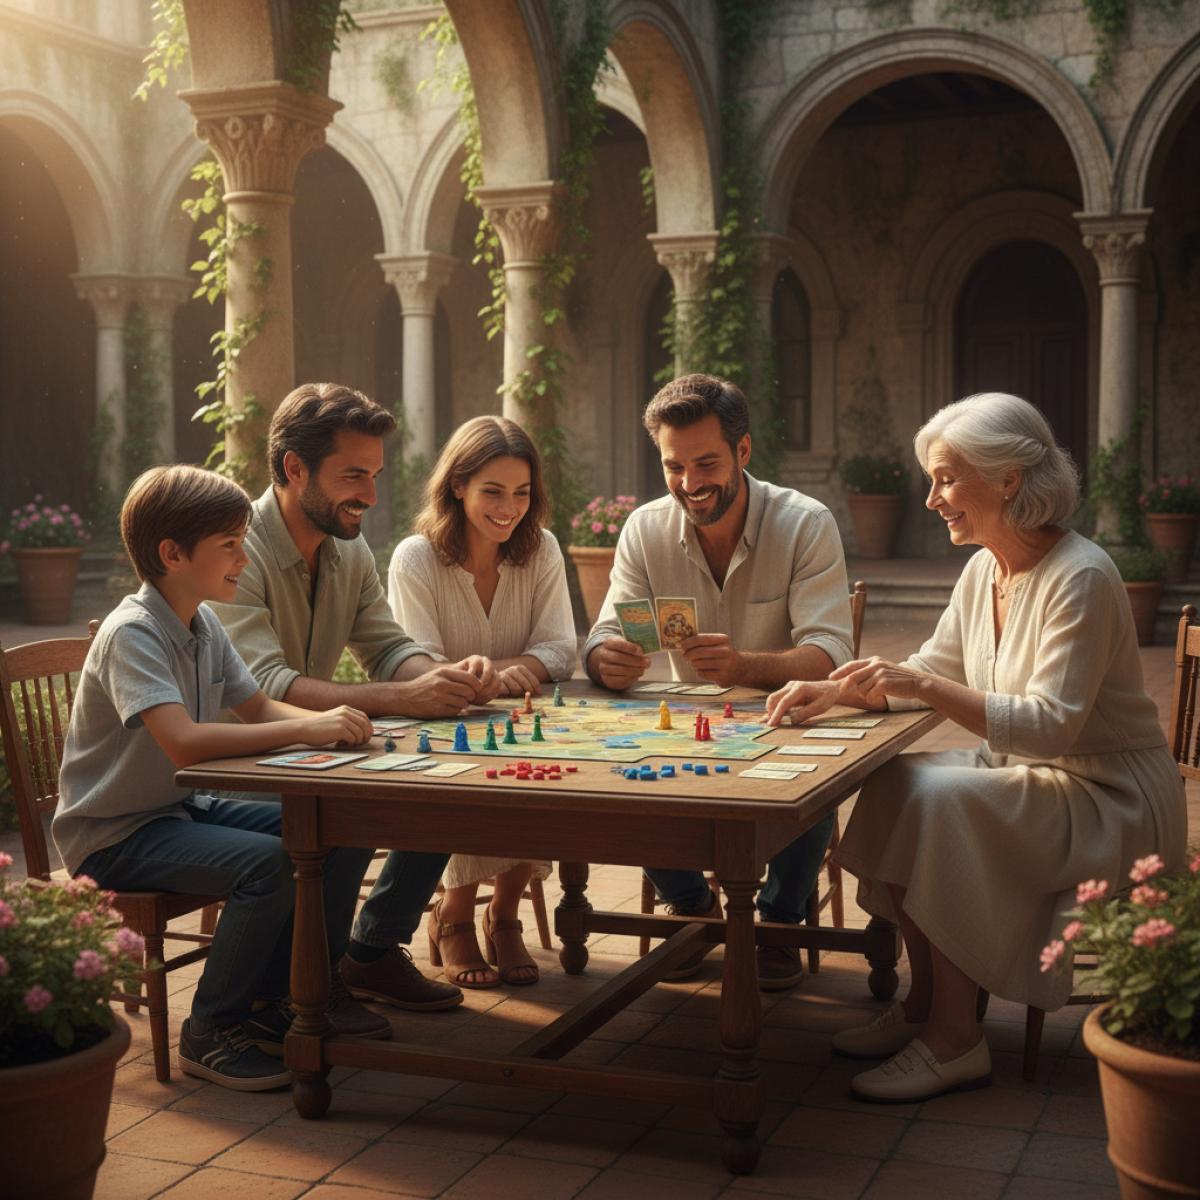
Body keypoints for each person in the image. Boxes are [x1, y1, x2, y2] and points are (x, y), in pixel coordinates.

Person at [765, 392, 1188, 1103]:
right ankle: (928, 1009)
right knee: (899, 781)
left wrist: (920, 683)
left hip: (1111, 796)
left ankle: (958, 1042)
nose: (932, 499)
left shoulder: (1080, 575)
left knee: (943, 801)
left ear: (1008, 480)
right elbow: (934, 669)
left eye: (946, 478)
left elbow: (1048, 723)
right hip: (1042, 777)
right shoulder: (984, 569)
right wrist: (836, 692)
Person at [52, 465, 391, 1091]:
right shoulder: (134, 632)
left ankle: (285, 996)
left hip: (174, 812)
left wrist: (341, 723)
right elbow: (183, 741)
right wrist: (306, 731)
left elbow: (258, 707)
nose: (244, 555)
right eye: (230, 545)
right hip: (114, 835)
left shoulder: (202, 620)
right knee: (268, 863)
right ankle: (211, 1028)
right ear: (173, 554)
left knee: (337, 823)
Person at [212, 382, 499, 1015]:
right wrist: (405, 695)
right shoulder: (233, 550)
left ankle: (367, 952)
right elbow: (260, 687)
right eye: (352, 476)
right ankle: (309, 985)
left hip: (308, 749)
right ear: (294, 468)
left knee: (450, 782)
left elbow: (389, 647)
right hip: (232, 762)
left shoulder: (350, 548)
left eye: (373, 474)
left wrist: (445, 677)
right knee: (350, 809)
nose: (369, 495)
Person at [583, 373, 854, 989]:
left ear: (744, 451)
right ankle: (694, 910)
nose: (690, 484)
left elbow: (831, 654)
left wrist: (748, 667)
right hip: (684, 730)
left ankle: (779, 924)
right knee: (614, 771)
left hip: (786, 720)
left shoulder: (806, 523)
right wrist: (608, 660)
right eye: (673, 467)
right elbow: (601, 637)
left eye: (706, 463)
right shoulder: (645, 529)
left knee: (815, 770)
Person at [389, 415, 576, 988]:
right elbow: (418, 660)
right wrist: (488, 676)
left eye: (522, 493)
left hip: (518, 716)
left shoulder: (540, 549)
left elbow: (562, 648)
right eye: (492, 491)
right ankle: (454, 916)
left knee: (543, 769)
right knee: (472, 776)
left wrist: (500, 673)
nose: (509, 507)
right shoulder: (415, 558)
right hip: (443, 724)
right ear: (457, 485)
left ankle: (505, 915)